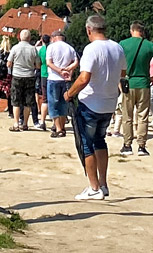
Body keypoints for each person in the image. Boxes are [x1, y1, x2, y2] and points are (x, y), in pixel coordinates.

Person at [65, 14, 125, 201]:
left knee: (86, 145)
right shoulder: (117, 48)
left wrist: (69, 93)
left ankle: (93, 187)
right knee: (100, 141)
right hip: (109, 102)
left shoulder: (91, 49)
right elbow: (123, 72)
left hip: (91, 102)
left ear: (88, 30)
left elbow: (84, 78)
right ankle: (103, 183)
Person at [116, 21, 153, 156]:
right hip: (144, 83)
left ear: (131, 30)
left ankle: (127, 145)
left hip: (128, 83)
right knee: (143, 116)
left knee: (127, 116)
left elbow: (118, 63)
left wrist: (120, 79)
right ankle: (141, 146)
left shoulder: (123, 44)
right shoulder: (149, 45)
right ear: (142, 31)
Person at [44, 31, 78, 139]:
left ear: (54, 38)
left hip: (54, 78)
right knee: (63, 104)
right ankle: (62, 127)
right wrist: (69, 70)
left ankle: (58, 129)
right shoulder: (70, 48)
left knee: (54, 105)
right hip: (65, 80)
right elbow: (76, 61)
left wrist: (59, 70)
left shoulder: (51, 47)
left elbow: (49, 63)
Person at [7, 29, 42, 132]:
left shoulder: (15, 48)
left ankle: (16, 123)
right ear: (29, 38)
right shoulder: (33, 49)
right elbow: (38, 65)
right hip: (30, 76)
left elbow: (9, 63)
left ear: (19, 37)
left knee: (16, 100)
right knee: (28, 101)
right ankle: (25, 124)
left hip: (17, 76)